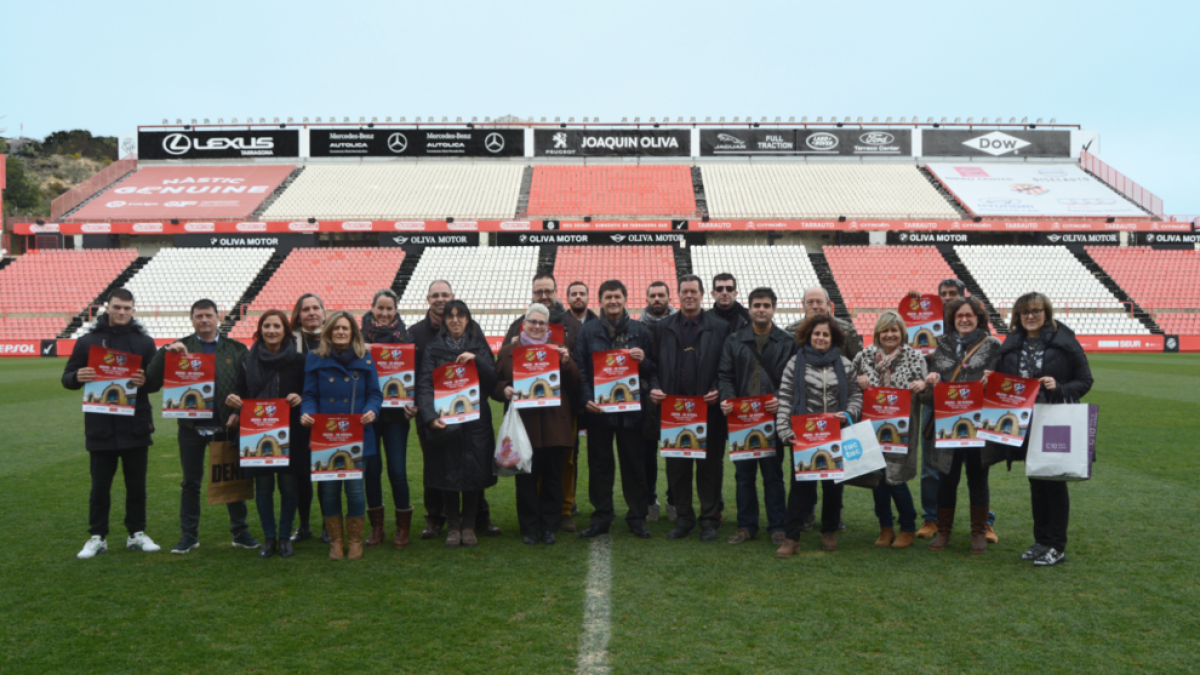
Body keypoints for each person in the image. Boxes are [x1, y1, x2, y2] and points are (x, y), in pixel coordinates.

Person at [147, 299, 257, 555]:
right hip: (191, 428)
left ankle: (240, 532)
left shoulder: (236, 349)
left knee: (231, 480)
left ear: (218, 318)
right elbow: (151, 382)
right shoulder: (179, 348)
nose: (204, 320)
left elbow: (250, 387)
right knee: (190, 483)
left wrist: (240, 412)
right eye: (199, 316)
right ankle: (188, 535)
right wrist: (165, 353)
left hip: (226, 426)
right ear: (192, 319)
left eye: (209, 315)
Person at [992, 292, 1092, 567]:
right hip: (1024, 422)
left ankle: (1056, 546)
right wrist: (994, 381)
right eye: (1025, 312)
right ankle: (1041, 540)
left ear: (1046, 313)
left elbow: (1085, 380)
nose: (1031, 316)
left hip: (1055, 419)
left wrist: (1058, 387)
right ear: (1018, 317)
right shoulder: (1012, 343)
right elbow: (1005, 384)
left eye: (1036, 311)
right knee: (1036, 480)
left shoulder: (1065, 341)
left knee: (1055, 480)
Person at [63, 289, 162, 559]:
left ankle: (136, 534)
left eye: (127, 308)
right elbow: (67, 377)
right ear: (107, 308)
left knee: (137, 486)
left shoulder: (144, 343)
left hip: (136, 425)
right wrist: (77, 377)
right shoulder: (87, 342)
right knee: (99, 488)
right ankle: (98, 537)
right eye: (117, 307)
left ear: (133, 310)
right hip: (101, 427)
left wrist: (147, 382)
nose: (122, 312)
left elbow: (156, 382)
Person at [408, 281, 502, 539]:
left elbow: (493, 379)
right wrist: (429, 417)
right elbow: (424, 386)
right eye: (451, 316)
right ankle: (452, 526)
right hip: (445, 420)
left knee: (473, 472)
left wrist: (478, 361)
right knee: (447, 472)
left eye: (460, 316)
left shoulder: (478, 344)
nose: (455, 320)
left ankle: (469, 525)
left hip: (475, 421)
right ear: (445, 321)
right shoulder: (433, 348)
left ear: (468, 320)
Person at [908, 278, 997, 541]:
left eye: (952, 294)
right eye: (943, 294)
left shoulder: (989, 341)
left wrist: (994, 377)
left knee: (978, 471)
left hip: (978, 415)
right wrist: (915, 303)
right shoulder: (940, 339)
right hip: (941, 409)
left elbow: (1003, 377)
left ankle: (983, 526)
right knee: (937, 468)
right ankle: (934, 522)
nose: (947, 298)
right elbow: (914, 339)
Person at [649, 274, 731, 542]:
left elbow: (727, 366)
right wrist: (656, 386)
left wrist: (719, 387)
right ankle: (684, 518)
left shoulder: (719, 327)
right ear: (678, 296)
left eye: (693, 292)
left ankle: (709, 520)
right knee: (677, 468)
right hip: (674, 411)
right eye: (684, 292)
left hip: (708, 410)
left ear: (702, 294)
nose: (689, 296)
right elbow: (652, 366)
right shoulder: (663, 328)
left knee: (710, 469)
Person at [572, 279, 656, 539]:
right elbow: (580, 370)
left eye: (617, 297)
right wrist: (586, 399)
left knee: (634, 465)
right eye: (608, 297)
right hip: (599, 413)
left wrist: (643, 361)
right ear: (600, 301)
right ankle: (601, 516)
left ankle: (637, 517)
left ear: (625, 299)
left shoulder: (640, 331)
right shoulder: (588, 332)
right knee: (600, 466)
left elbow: (655, 370)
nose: (613, 301)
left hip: (632, 412)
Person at [494, 304, 583, 545]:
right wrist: (505, 389)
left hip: (554, 422)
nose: (536, 326)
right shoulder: (508, 351)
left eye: (541, 323)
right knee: (526, 478)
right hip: (524, 424)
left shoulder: (559, 349)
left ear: (547, 326)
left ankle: (549, 527)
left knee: (553, 476)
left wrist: (566, 363)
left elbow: (575, 383)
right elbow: (496, 383)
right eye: (532, 322)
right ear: (524, 324)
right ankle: (530, 528)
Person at [774, 314, 862, 557]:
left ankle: (829, 530)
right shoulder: (795, 362)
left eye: (825, 334)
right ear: (808, 336)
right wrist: (785, 431)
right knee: (800, 488)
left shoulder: (845, 364)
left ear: (832, 337)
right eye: (816, 334)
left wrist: (848, 413)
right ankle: (792, 537)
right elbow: (785, 399)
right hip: (804, 437)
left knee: (833, 487)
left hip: (835, 434)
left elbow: (856, 395)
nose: (821, 338)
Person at [300, 311, 383, 560]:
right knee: (330, 491)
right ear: (328, 331)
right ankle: (336, 541)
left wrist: (372, 410)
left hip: (358, 434)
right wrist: (307, 413)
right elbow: (309, 396)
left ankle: (355, 540)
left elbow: (375, 394)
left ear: (353, 332)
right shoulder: (315, 358)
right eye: (336, 328)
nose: (340, 332)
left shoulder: (365, 357)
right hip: (326, 436)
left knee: (356, 491)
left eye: (345, 328)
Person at [226, 310, 307, 558]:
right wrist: (233, 400)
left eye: (277, 326)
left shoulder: (300, 360)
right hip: (256, 431)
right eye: (266, 326)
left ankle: (285, 537)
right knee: (263, 487)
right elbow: (241, 391)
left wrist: (300, 397)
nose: (271, 330)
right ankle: (269, 538)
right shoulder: (247, 360)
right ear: (260, 330)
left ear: (285, 330)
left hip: (291, 431)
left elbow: (310, 392)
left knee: (289, 487)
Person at [717, 287, 793, 546]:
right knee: (744, 476)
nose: (761, 309)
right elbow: (725, 375)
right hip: (741, 421)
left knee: (773, 476)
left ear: (774, 308)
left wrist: (782, 399)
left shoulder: (787, 341)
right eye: (757, 305)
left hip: (772, 420)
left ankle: (777, 526)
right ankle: (746, 525)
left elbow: (794, 381)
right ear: (749, 309)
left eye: (766, 305)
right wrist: (726, 399)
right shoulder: (734, 340)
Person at [852, 311, 928, 550]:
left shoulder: (915, 357)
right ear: (877, 333)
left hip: (901, 430)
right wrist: (859, 379)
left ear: (902, 333)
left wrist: (922, 385)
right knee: (878, 479)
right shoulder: (863, 356)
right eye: (885, 330)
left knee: (895, 478)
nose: (890, 334)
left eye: (894, 330)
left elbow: (927, 394)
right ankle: (885, 527)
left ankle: (907, 527)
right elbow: (849, 383)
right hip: (871, 429)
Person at [360, 289, 417, 549]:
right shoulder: (357, 337)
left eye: (389, 309)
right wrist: (359, 350)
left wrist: (413, 402)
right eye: (380, 308)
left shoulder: (407, 337)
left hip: (396, 416)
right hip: (367, 415)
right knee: (371, 471)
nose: (384, 313)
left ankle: (403, 527)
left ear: (396, 310)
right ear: (372, 308)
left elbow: (414, 376)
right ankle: (377, 527)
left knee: (397, 471)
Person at [638, 280, 677, 522]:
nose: (657, 299)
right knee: (647, 454)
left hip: (675, 397)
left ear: (669, 297)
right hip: (646, 398)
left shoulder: (680, 324)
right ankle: (650, 500)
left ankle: (674, 500)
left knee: (675, 452)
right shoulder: (638, 327)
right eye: (653, 295)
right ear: (647, 299)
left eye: (661, 295)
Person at [288, 292, 325, 544]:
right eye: (305, 309)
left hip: (326, 416)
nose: (311, 312)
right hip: (296, 418)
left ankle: (327, 523)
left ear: (323, 312)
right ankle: (303, 525)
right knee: (301, 473)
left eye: (315, 308)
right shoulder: (289, 341)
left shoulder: (335, 337)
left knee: (325, 472)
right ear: (298, 315)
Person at [785, 286, 862, 360]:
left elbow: (860, 362)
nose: (815, 306)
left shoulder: (847, 330)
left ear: (828, 305)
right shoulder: (790, 331)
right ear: (803, 305)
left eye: (819, 302)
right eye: (810, 302)